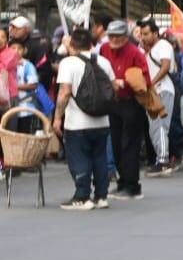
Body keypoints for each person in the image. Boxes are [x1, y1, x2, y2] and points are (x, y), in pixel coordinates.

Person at [51, 27, 115, 210]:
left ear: (72, 44)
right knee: (100, 158)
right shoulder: (103, 61)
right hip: (102, 120)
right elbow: (112, 88)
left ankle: (82, 196)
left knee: (79, 158)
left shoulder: (68, 63)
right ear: (90, 43)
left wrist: (57, 118)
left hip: (77, 123)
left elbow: (64, 93)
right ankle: (101, 196)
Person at [99, 19, 151, 200]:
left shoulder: (135, 53)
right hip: (112, 101)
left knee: (130, 144)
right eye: (111, 36)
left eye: (118, 36)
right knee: (115, 144)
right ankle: (122, 182)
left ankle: (132, 185)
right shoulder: (104, 49)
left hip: (131, 102)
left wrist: (124, 82)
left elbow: (145, 78)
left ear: (125, 37)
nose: (114, 40)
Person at [135, 18, 177, 173]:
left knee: (160, 125)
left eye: (146, 34)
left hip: (162, 89)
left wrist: (151, 83)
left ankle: (163, 160)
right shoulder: (148, 50)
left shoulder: (163, 45)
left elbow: (165, 66)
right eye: (141, 34)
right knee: (154, 127)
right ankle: (161, 158)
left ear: (155, 33)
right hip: (152, 92)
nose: (143, 37)